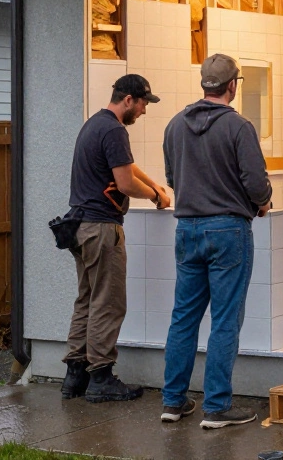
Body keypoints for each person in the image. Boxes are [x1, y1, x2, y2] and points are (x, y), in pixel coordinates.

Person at [159, 54, 273, 428]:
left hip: (187, 229)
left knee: (183, 317)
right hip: (228, 231)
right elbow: (256, 183)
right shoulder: (239, 127)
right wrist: (263, 202)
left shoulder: (175, 125)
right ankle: (216, 407)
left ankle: (173, 402)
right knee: (224, 320)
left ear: (204, 84)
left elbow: (173, 178)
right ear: (232, 86)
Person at [62, 74, 171, 403]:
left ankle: (74, 376)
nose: (144, 111)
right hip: (101, 228)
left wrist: (157, 187)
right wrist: (154, 196)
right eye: (142, 104)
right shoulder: (114, 130)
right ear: (128, 100)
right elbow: (125, 183)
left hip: (79, 227)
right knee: (108, 304)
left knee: (86, 300)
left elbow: (129, 167)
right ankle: (101, 378)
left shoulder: (93, 124)